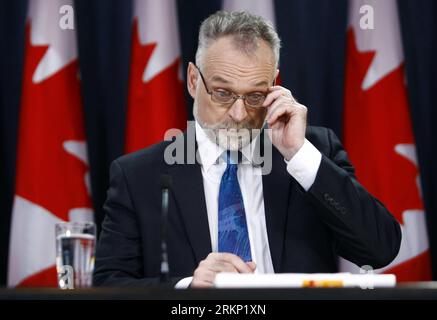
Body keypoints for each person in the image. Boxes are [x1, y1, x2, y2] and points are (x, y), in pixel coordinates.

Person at [93, 10, 401, 288]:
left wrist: (298, 154)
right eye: (223, 93)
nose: (239, 114)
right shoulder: (137, 175)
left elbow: (380, 248)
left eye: (255, 95)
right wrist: (188, 288)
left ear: (274, 86)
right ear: (192, 81)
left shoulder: (313, 152)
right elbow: (108, 285)